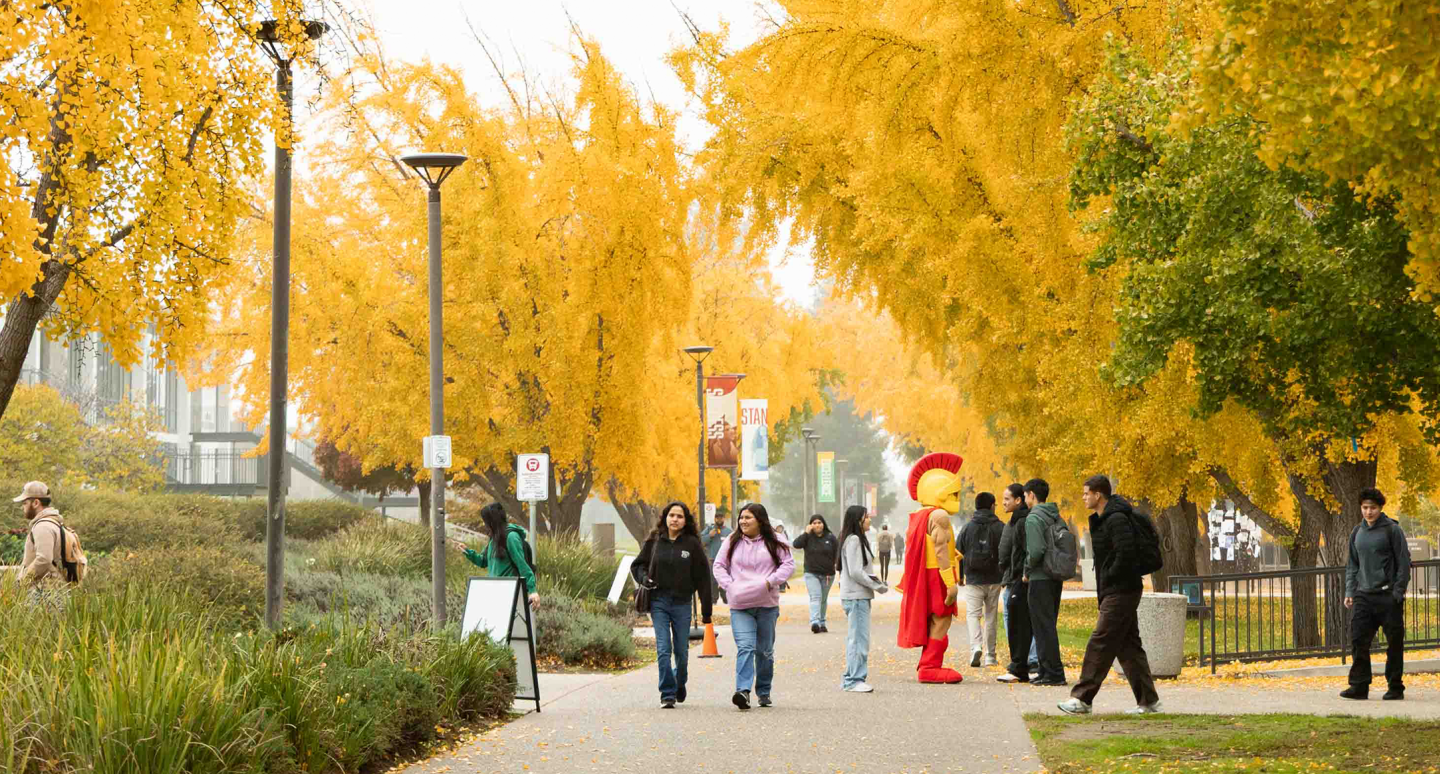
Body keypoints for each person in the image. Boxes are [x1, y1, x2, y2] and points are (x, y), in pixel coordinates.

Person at [1058, 476, 1162, 715]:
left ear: (1098, 495)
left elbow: (1125, 553)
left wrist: (1110, 575)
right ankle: (1149, 701)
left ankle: (1082, 698)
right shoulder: (1107, 518)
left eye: (1086, 493)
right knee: (1129, 647)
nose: (1083, 497)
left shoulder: (1115, 518)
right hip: (1117, 588)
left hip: (1122, 589)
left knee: (1100, 641)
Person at [632, 501, 714, 708]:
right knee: (663, 648)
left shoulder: (692, 544)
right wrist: (643, 579)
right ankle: (667, 693)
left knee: (682, 652)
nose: (675, 519)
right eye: (671, 515)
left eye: (679, 516)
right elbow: (638, 565)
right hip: (659, 601)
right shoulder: (654, 541)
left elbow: (704, 577)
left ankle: (679, 681)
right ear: (665, 518)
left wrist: (706, 611)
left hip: (682, 603)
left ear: (686, 521)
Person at [714, 503, 795, 710]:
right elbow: (719, 566)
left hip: (766, 605)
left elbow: (788, 564)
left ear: (760, 520)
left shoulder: (775, 541)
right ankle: (743, 691)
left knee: (765, 651)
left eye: (748, 517)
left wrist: (770, 582)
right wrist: (729, 586)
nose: (743, 521)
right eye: (741, 517)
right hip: (740, 604)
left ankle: (764, 690)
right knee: (746, 647)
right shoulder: (732, 540)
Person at [896, 452, 966, 683]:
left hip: (926, 573)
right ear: (940, 492)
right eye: (954, 492)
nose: (958, 497)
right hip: (938, 574)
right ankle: (929, 667)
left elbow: (928, 545)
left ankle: (929, 663)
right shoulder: (939, 514)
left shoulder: (920, 515)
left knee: (934, 619)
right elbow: (939, 551)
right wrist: (951, 583)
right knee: (942, 618)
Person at [1342, 487, 1411, 701]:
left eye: (1372, 508)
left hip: (1388, 595)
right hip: (1363, 596)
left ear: (1380, 508)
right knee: (1358, 640)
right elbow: (1352, 564)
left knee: (1394, 643)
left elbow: (1404, 562)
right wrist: (1350, 590)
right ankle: (1359, 686)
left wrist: (1397, 592)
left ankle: (1395, 687)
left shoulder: (1392, 530)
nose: (1368, 512)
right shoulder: (1357, 532)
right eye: (1365, 508)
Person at [837, 504, 888, 692]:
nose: (869, 520)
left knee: (858, 638)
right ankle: (853, 680)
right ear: (858, 519)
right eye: (866, 517)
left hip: (859, 596)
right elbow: (856, 571)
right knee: (858, 640)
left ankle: (852, 678)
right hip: (856, 597)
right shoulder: (853, 541)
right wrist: (877, 586)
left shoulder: (856, 539)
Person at [1023, 478, 1067, 686]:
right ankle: (1046, 669)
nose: (1025, 500)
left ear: (1032, 494)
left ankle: (1053, 673)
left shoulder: (1033, 519)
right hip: (1055, 576)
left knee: (1042, 626)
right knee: (1048, 624)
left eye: (1025, 496)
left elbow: (1036, 550)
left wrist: (1027, 570)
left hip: (1040, 578)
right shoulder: (1056, 516)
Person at [455, 503, 539, 608]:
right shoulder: (494, 539)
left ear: (492, 521)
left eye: (486, 521)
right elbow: (483, 561)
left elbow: (522, 564)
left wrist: (532, 590)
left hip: (510, 593)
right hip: (494, 593)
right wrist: (468, 552)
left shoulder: (511, 537)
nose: (485, 524)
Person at [958, 492, 1006, 667]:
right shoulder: (1000, 527)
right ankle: (990, 656)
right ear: (992, 505)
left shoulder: (967, 527)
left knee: (973, 614)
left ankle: (976, 646)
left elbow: (958, 553)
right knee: (991, 616)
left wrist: (960, 575)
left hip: (973, 578)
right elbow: (1006, 551)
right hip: (994, 578)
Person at [997, 483, 1039, 683]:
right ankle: (1019, 666)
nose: (1003, 503)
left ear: (1018, 500)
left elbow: (1027, 551)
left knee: (1017, 624)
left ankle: (1020, 666)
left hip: (1019, 580)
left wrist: (1022, 574)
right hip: (1014, 578)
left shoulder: (1022, 521)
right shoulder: (1015, 520)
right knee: (1017, 622)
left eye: (1006, 499)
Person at [13, 481, 69, 601]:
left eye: (24, 503)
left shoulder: (43, 526)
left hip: (45, 592)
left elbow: (43, 559)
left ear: (36, 502)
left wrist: (23, 581)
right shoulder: (54, 523)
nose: (22, 507)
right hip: (52, 591)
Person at [792, 514, 840, 633]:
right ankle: (815, 622)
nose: (817, 525)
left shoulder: (830, 537)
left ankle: (822, 622)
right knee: (815, 597)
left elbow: (838, 553)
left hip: (828, 574)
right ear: (810, 525)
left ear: (823, 524)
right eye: (814, 523)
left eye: (819, 522)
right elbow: (796, 545)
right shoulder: (807, 537)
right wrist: (806, 533)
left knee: (823, 599)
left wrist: (836, 566)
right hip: (811, 573)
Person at [701, 509, 733, 604]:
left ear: (724, 519)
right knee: (712, 580)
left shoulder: (728, 531)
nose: (719, 520)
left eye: (721, 517)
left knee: (726, 579)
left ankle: (726, 598)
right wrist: (709, 536)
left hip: (726, 561)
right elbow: (701, 542)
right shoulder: (709, 529)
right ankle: (713, 599)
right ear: (715, 519)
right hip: (712, 559)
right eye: (717, 518)